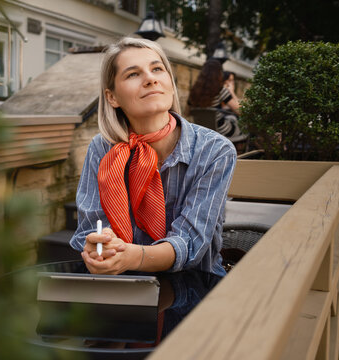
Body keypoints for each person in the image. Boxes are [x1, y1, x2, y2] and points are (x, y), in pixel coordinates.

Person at [69, 37, 236, 277]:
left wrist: (132, 257)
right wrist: (101, 246)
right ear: (112, 97)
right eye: (133, 74)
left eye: (157, 68)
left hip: (194, 287)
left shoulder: (215, 150)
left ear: (169, 81)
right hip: (121, 286)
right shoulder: (102, 148)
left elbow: (190, 244)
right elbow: (90, 227)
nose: (150, 78)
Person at [187, 60, 242, 139]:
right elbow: (240, 111)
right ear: (219, 74)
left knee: (231, 118)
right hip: (221, 132)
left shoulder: (194, 91)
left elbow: (187, 112)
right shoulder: (220, 90)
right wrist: (232, 92)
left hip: (201, 131)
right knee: (241, 124)